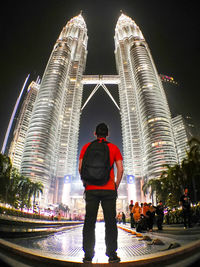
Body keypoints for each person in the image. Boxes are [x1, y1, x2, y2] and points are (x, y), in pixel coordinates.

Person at [79, 123, 123, 263]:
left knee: (89, 222)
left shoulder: (86, 147)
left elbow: (80, 168)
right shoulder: (114, 148)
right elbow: (120, 170)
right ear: (107, 134)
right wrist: (115, 185)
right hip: (109, 189)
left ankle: (88, 255)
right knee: (110, 222)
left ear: (95, 133)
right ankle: (111, 254)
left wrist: (86, 183)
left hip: (91, 190)